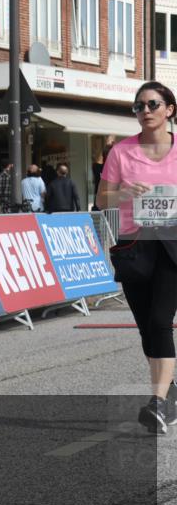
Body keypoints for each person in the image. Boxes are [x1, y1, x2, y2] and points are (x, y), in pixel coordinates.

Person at [96, 81, 177, 434]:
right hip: (134, 245)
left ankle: (157, 402)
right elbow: (101, 201)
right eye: (138, 106)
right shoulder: (121, 153)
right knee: (147, 328)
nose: (145, 111)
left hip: (173, 244)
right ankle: (169, 393)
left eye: (152, 104)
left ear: (169, 109)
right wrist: (123, 192)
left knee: (161, 321)